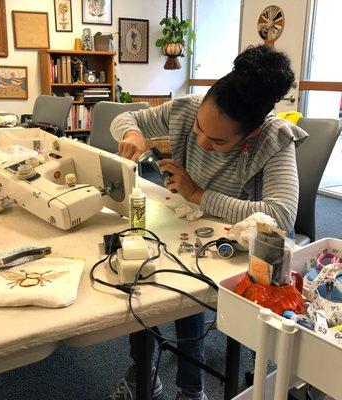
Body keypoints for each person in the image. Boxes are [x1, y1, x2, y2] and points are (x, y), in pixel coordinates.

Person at [109, 45, 308, 400]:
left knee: (182, 287)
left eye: (218, 141)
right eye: (200, 128)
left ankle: (189, 389)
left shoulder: (274, 139)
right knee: (140, 272)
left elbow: (281, 215)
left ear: (251, 134)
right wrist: (132, 133)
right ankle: (143, 374)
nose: (200, 141)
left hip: (236, 250)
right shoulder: (186, 109)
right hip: (188, 229)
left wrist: (198, 194)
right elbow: (126, 118)